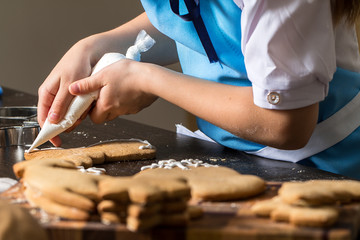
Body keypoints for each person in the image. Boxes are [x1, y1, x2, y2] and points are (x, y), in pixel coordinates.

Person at [37, 0, 360, 179]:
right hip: (234, 155)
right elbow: (197, 19)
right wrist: (99, 46)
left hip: (322, 163)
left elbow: (287, 125)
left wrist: (146, 79)